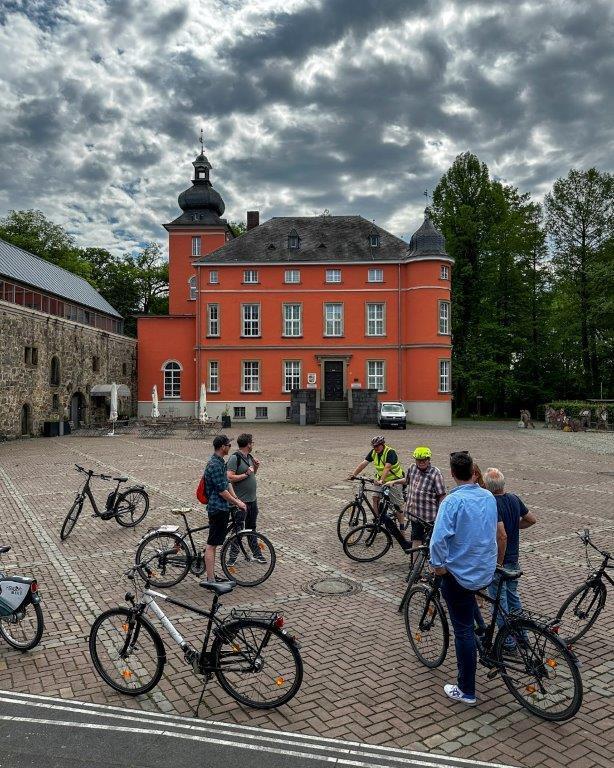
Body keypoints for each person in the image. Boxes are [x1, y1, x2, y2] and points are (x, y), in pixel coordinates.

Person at [430, 451, 498, 706]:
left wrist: (438, 567)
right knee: (470, 608)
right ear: (473, 471)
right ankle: (485, 636)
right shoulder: (489, 496)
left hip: (462, 574)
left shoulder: (452, 502)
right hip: (486, 569)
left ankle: (466, 689)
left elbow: (438, 540)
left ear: (452, 474)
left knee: (463, 631)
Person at [483, 468, 537, 639]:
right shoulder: (514, 498)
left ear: (487, 486)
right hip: (514, 559)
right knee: (514, 599)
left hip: (502, 561)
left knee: (500, 604)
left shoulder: (492, 503)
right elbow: (531, 519)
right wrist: (515, 525)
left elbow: (502, 536)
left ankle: (507, 641)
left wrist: (498, 561)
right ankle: (523, 636)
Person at [348, 435, 411, 553]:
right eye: (374, 446)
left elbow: (387, 468)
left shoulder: (390, 452)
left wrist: (382, 481)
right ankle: (377, 521)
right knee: (375, 498)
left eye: (377, 446)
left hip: (394, 480)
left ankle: (402, 528)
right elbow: (364, 463)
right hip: (380, 480)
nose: (375, 448)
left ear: (383, 444)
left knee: (398, 506)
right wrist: (354, 474)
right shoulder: (373, 453)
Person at [203, 434, 246, 582]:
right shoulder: (214, 465)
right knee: (211, 545)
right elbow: (222, 490)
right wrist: (236, 502)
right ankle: (210, 579)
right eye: (228, 445)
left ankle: (211, 575)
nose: (230, 447)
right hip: (217, 508)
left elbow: (227, 482)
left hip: (223, 508)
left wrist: (236, 499)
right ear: (222, 447)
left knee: (214, 543)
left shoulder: (220, 462)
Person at [387, 446, 446, 550]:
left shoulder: (435, 473)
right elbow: (407, 480)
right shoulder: (412, 468)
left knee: (432, 542)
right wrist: (394, 481)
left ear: (429, 460)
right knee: (416, 538)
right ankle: (415, 564)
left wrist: (441, 515)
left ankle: (431, 562)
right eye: (419, 460)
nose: (421, 462)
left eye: (424, 460)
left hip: (429, 516)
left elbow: (441, 495)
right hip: (415, 514)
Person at [226, 433, 265, 565]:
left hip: (252, 500)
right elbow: (229, 477)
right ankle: (232, 557)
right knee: (238, 530)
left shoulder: (249, 457)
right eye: (252, 443)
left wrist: (256, 468)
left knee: (251, 528)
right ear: (248, 444)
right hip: (241, 502)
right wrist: (245, 474)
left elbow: (251, 474)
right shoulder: (234, 458)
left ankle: (256, 553)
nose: (253, 445)